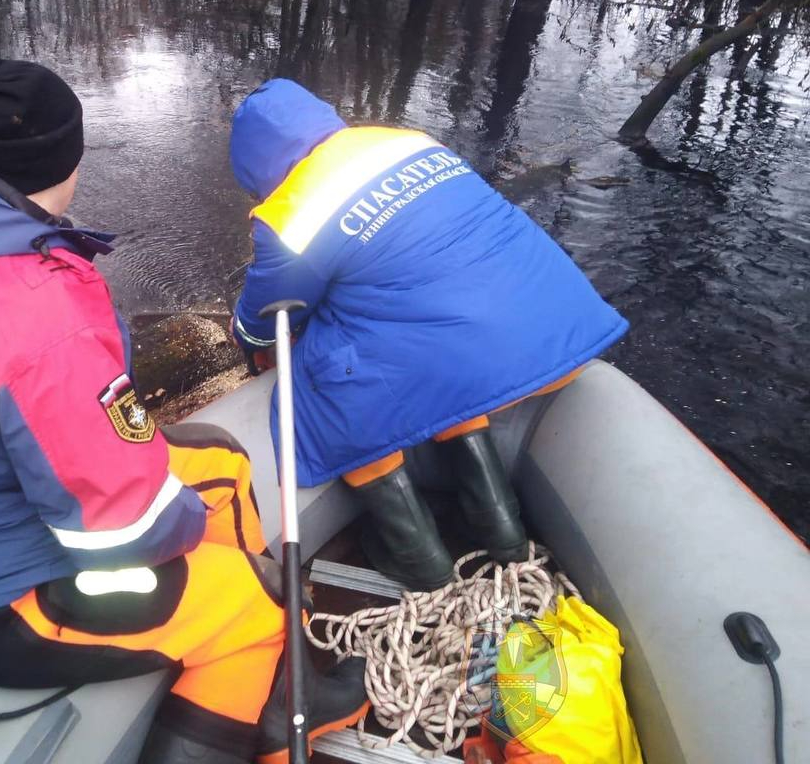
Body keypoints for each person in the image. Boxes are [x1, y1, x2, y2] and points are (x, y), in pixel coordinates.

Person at [0, 60, 367, 764]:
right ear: (70, 156)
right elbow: (120, 525)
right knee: (257, 599)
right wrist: (183, 522)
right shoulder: (39, 314)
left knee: (218, 458)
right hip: (9, 596)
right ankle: (257, 659)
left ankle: (267, 674)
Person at [228, 79, 629, 590]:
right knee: (419, 333)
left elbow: (264, 319)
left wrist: (249, 342)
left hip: (472, 348)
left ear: (256, 166)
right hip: (555, 323)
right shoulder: (408, 141)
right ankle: (501, 529)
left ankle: (418, 559)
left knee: (325, 374)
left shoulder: (289, 215)